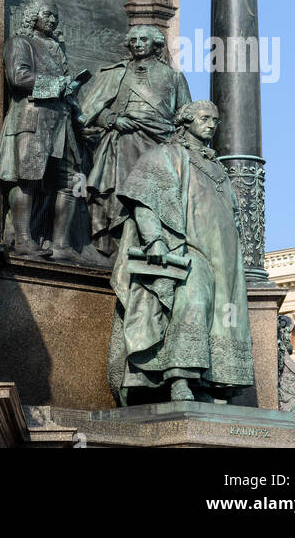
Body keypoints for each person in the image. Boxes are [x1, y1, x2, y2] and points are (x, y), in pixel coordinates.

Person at [108, 100, 255, 404]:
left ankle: (211, 382)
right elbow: (144, 201)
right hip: (187, 249)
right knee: (192, 303)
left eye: (216, 119)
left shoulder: (216, 167)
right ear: (186, 121)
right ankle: (178, 380)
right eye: (205, 118)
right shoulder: (166, 155)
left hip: (223, 258)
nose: (212, 124)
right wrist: (155, 241)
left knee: (221, 315)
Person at [79, 25, 192, 258]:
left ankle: (152, 240)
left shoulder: (174, 77)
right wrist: (112, 119)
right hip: (123, 142)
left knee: (154, 195)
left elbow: (185, 117)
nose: (138, 44)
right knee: (120, 193)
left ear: (156, 44)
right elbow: (87, 112)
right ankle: (120, 241)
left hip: (159, 144)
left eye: (144, 39)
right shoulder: (115, 73)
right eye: (134, 40)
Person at [0, 0, 88, 261]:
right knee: (26, 178)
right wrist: (58, 85)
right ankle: (23, 240)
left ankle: (60, 244)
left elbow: (63, 87)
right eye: (47, 14)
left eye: (55, 16)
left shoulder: (57, 49)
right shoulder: (20, 42)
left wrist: (78, 113)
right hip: (32, 120)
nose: (52, 19)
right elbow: (18, 77)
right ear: (33, 15)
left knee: (70, 181)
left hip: (61, 123)